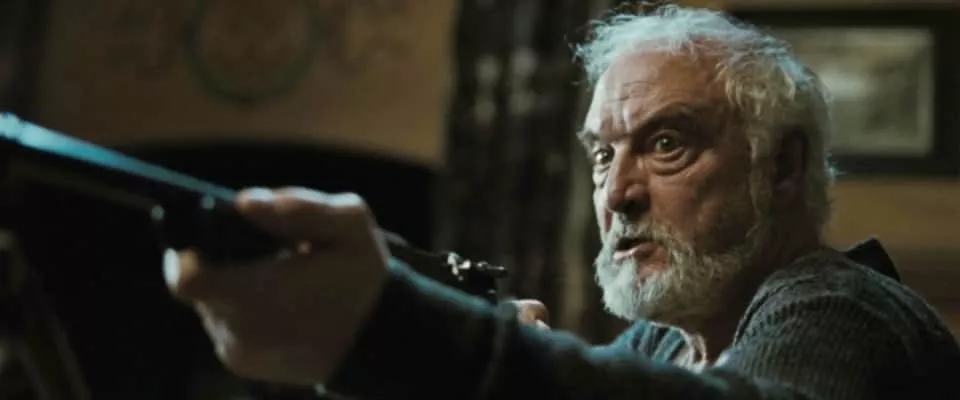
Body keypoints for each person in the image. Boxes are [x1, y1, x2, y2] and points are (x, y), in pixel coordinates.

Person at [164, 4, 960, 399]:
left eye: (666, 143)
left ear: (780, 166)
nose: (616, 193)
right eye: (603, 154)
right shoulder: (663, 343)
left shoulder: (838, 306)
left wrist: (404, 329)